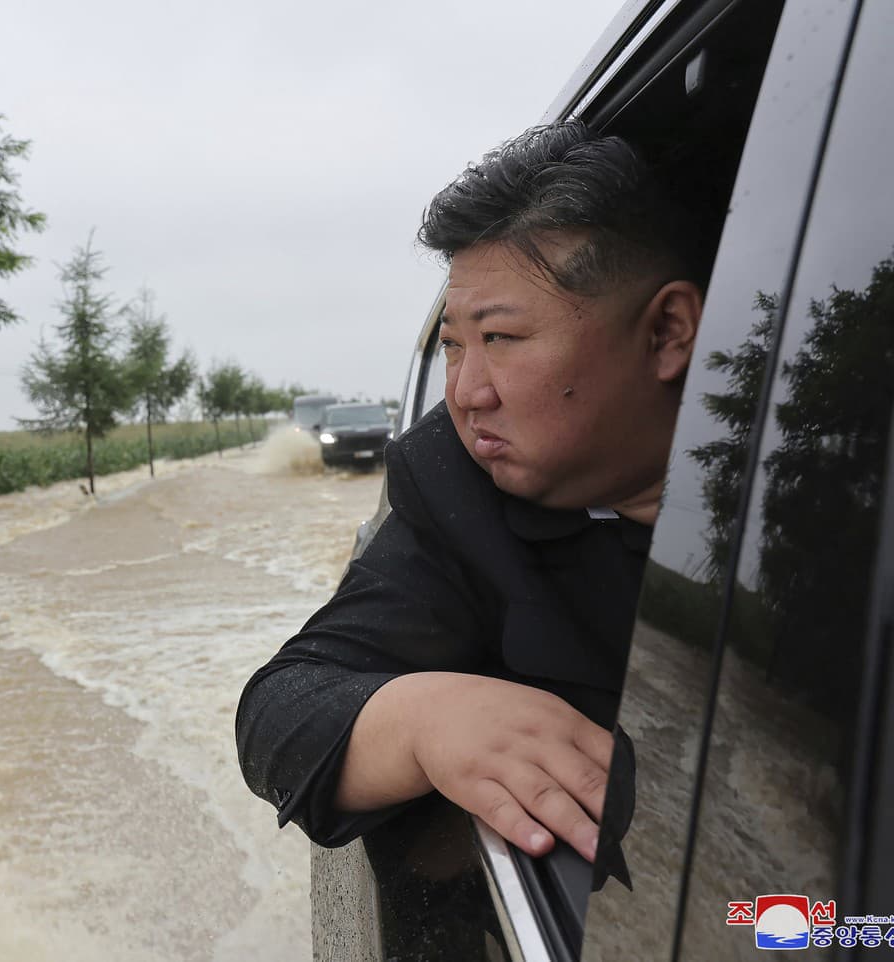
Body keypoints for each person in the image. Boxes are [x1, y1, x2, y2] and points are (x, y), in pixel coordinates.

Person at [235, 121, 706, 867]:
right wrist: (419, 720)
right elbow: (279, 714)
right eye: (453, 345)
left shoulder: (825, 499)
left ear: (667, 333)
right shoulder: (456, 488)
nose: (464, 393)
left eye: (502, 340)